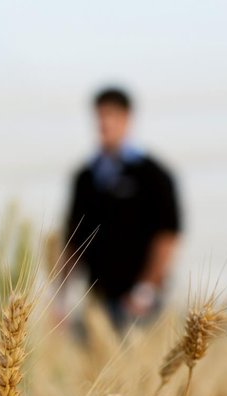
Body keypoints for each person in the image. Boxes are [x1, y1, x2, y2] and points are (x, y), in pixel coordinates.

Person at [64, 87, 181, 330]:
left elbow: (167, 235)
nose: (104, 123)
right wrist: (61, 295)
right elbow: (72, 240)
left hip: (139, 297)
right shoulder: (84, 177)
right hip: (97, 296)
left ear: (127, 118)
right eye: (100, 116)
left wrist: (146, 289)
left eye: (111, 115)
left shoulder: (154, 174)